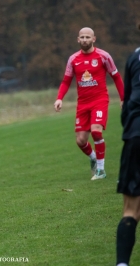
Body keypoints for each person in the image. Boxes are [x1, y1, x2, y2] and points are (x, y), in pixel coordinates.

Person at [54, 27, 124, 180]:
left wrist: (123, 98)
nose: (85, 40)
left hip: (100, 100)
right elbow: (66, 81)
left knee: (96, 131)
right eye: (82, 37)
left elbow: (116, 77)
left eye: (88, 37)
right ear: (78, 39)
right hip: (83, 104)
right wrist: (59, 98)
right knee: (80, 141)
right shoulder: (73, 59)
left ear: (94, 39)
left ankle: (101, 170)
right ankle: (93, 157)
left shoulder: (103, 56)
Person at [115, 24, 140, 266]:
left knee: (131, 211)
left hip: (135, 135)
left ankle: (122, 264)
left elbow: (127, 102)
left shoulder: (134, 58)